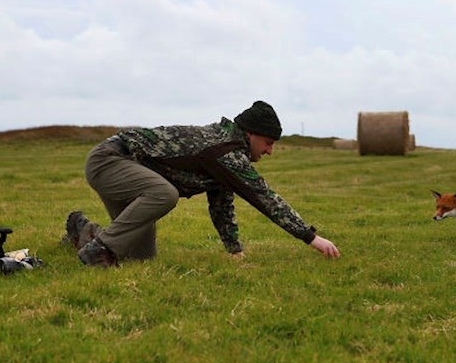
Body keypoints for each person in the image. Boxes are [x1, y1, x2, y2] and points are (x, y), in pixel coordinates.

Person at [67, 100, 341, 266]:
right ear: (251, 134)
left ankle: (84, 230)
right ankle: (99, 252)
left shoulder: (227, 155)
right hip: (109, 161)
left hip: (126, 170)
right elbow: (265, 197)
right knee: (165, 193)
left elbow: (221, 203)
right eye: (268, 143)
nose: (270, 151)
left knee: (141, 258)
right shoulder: (224, 151)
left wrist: (234, 250)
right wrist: (312, 238)